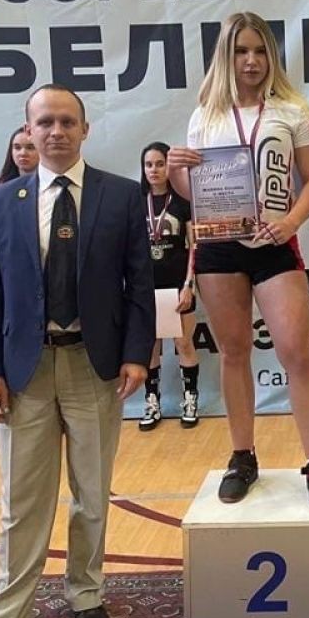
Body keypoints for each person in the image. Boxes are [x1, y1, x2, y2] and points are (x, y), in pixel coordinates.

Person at [0, 85, 154, 618]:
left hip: (94, 365)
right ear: (28, 132)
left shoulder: (121, 195)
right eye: (45, 122)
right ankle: (5, 616)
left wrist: (136, 355)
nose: (56, 131)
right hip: (24, 371)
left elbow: (139, 285)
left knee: (92, 492)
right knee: (21, 501)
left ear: (85, 129)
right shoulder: (1, 201)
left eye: (66, 121)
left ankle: (86, 594)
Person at [167, 12, 309, 511]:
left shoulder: (294, 109)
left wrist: (291, 223)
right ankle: (243, 456)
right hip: (219, 246)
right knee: (234, 351)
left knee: (296, 351)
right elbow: (198, 193)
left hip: (275, 243)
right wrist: (176, 174)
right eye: (241, 51)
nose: (252, 60)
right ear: (227, 55)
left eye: (260, 51)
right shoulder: (205, 114)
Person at [138, 141, 201, 431]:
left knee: (183, 343)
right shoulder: (136, 203)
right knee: (150, 347)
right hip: (146, 288)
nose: (154, 170)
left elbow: (194, 246)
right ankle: (152, 402)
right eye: (148, 164)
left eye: (160, 164)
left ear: (169, 166)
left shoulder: (183, 203)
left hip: (177, 285)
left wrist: (189, 285)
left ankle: (190, 399)